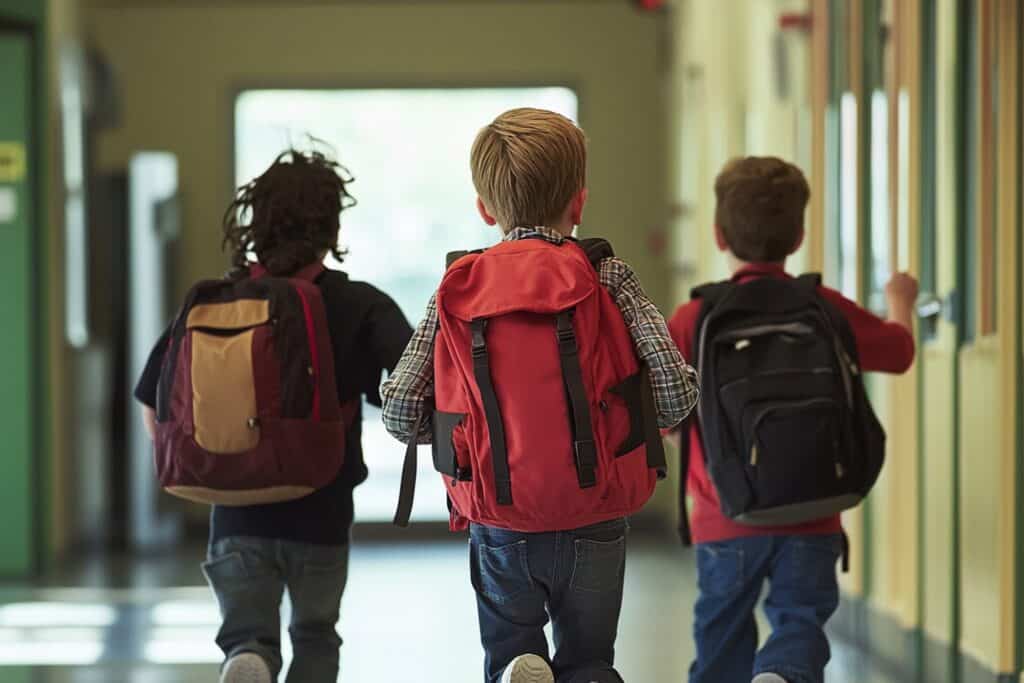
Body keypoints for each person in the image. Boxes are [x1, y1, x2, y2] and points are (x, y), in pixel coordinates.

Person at [381, 108, 699, 683]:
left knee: (510, 653)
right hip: (596, 511)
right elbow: (676, 395)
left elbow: (402, 412)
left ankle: (517, 667)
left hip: (500, 516)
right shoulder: (607, 275)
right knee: (591, 660)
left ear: (484, 208)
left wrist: (469, 431)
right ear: (579, 202)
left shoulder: (459, 283)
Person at [134, 150, 413, 683]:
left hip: (235, 516)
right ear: (332, 226)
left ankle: (248, 657)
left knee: (247, 631)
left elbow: (154, 400)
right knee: (315, 634)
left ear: (253, 223)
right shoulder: (358, 303)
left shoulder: (215, 304)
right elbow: (414, 378)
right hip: (322, 512)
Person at [667, 156, 918, 683]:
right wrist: (900, 301)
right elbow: (897, 352)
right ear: (799, 234)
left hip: (724, 512)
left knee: (720, 636)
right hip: (815, 508)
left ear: (718, 236)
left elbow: (662, 410)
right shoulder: (823, 306)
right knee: (801, 623)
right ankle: (781, 674)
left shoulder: (695, 319)